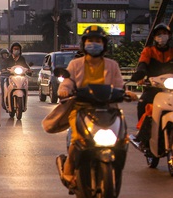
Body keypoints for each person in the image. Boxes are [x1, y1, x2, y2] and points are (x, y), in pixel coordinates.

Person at [56, 25, 132, 187]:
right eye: (90, 40)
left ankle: (116, 167)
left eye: (98, 41)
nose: (94, 44)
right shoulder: (75, 65)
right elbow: (68, 82)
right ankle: (68, 171)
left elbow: (119, 85)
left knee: (121, 139)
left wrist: (126, 93)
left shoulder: (112, 65)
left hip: (109, 109)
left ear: (104, 44)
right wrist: (64, 90)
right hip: (82, 109)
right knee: (77, 141)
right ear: (84, 44)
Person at [132, 23, 173, 149]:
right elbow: (143, 64)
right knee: (143, 103)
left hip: (171, 88)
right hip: (154, 87)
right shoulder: (148, 51)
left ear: (169, 36)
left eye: (165, 34)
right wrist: (141, 74)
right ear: (155, 37)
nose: (162, 36)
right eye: (159, 34)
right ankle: (142, 136)